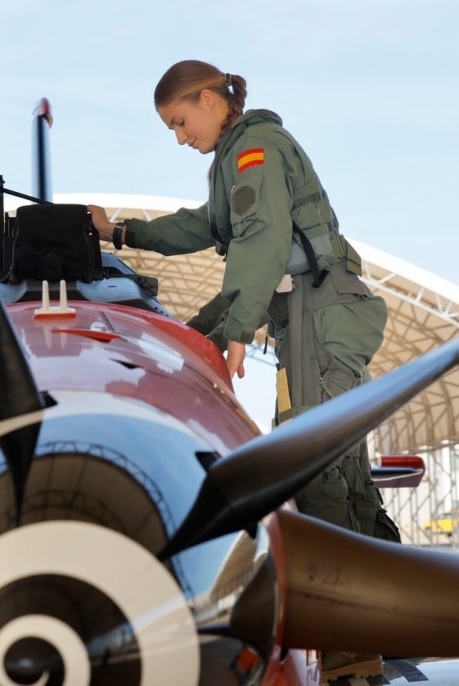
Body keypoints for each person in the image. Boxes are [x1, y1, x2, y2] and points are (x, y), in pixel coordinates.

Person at [88, 59, 399, 682]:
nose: (179, 136)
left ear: (210, 100)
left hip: (318, 313)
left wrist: (232, 334)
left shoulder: (254, 146)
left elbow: (259, 240)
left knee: (315, 470)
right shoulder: (233, 158)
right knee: (342, 473)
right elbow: (205, 226)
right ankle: (384, 624)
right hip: (309, 318)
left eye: (180, 121)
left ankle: (350, 656)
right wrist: (121, 232)